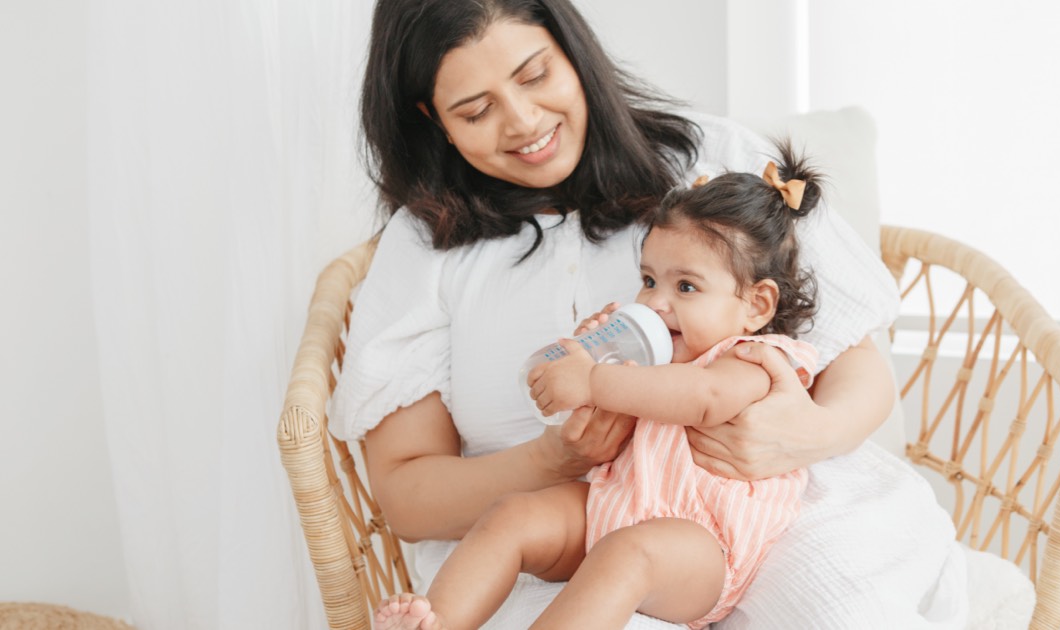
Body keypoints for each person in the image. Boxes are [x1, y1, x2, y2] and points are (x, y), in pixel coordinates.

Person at [332, 0, 967, 627]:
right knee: (573, 556)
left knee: (836, 612)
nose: (524, 122)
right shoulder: (425, 244)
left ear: (572, 52)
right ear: (431, 116)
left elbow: (851, 356)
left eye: (534, 76)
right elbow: (408, 496)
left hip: (752, 514)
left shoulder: (711, 166)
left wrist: (806, 435)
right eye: (476, 110)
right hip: (580, 512)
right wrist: (555, 459)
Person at [375, 152, 824, 630]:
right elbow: (593, 406)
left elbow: (703, 396)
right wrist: (591, 351)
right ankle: (436, 621)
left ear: (757, 304)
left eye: (687, 287)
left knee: (627, 555)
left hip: (701, 546)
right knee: (513, 514)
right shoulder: (651, 355)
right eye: (649, 280)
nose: (656, 302)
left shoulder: (759, 358)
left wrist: (595, 378)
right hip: (612, 505)